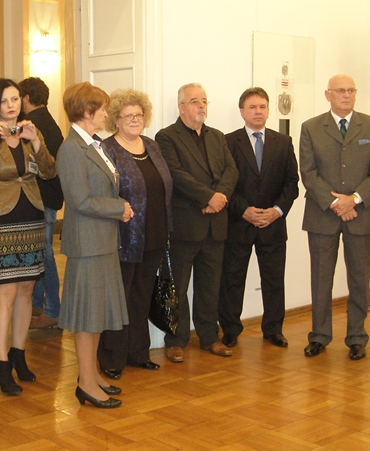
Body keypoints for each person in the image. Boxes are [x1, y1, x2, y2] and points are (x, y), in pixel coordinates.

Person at [0, 78, 56, 395]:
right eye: (5, 100)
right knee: (6, 292)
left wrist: (37, 143)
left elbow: (49, 172)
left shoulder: (30, 131)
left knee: (27, 289)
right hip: (1, 218)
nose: (11, 105)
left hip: (31, 214)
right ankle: (1, 363)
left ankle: (19, 354)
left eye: (16, 99)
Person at [300, 74, 370, 360]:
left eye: (351, 90)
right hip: (323, 214)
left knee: (359, 279)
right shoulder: (311, 128)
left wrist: (354, 200)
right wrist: (336, 202)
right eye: (340, 91)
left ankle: (357, 337)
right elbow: (308, 173)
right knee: (321, 279)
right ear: (328, 95)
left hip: (361, 214)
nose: (346, 95)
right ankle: (319, 336)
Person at [58, 81, 132, 408]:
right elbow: (80, 200)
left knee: (97, 313)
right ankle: (86, 383)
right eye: (101, 108)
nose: (106, 113)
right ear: (87, 111)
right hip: (87, 245)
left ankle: (92, 374)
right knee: (87, 317)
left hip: (101, 241)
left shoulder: (93, 143)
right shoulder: (71, 148)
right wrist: (119, 208)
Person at [155, 83, 238, 363]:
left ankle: (209, 337)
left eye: (204, 101)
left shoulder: (217, 136)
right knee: (177, 287)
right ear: (181, 107)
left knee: (210, 287)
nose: (201, 105)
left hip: (216, 224)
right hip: (185, 224)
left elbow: (231, 170)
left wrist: (219, 197)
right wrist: (207, 197)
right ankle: (176, 341)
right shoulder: (167, 137)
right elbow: (175, 174)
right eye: (194, 101)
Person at [97, 89, 172, 379]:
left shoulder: (151, 146)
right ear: (115, 119)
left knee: (142, 295)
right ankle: (112, 358)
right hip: (122, 237)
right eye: (127, 115)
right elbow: (103, 193)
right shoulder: (107, 149)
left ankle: (138, 353)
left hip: (153, 234)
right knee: (118, 299)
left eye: (138, 114)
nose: (134, 119)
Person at [219, 87, 299, 349]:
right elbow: (224, 184)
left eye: (262, 107)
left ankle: (274, 329)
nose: (258, 112)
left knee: (274, 280)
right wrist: (244, 210)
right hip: (239, 222)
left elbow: (292, 184)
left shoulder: (283, 142)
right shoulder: (227, 142)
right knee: (232, 279)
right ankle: (230, 329)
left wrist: (276, 211)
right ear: (242, 112)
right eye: (252, 107)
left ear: (268, 110)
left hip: (273, 224)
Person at [19, 77, 64, 330]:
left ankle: (52, 309)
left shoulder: (32, 125)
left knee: (43, 254)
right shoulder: (51, 122)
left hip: (40, 196)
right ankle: (36, 304)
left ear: (26, 98)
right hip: (50, 195)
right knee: (38, 252)